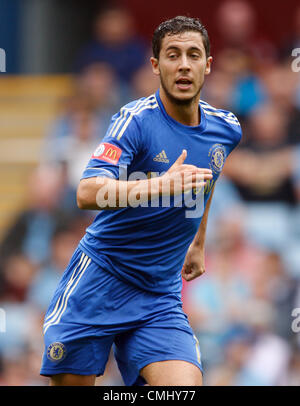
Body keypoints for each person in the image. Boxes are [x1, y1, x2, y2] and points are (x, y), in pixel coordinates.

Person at [40, 16, 242, 386]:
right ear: (155, 65)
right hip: (100, 280)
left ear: (207, 65)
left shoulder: (226, 129)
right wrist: (161, 185)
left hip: (158, 294)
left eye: (194, 55)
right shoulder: (134, 120)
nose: (183, 64)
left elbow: (207, 180)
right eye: (173, 55)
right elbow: (88, 191)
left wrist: (197, 242)